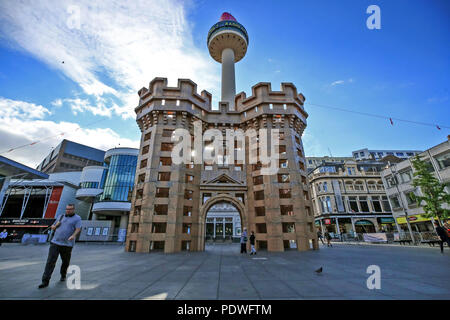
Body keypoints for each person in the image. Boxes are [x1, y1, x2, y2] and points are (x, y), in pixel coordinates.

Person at [38, 204, 81, 289]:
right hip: (55, 242)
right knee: (50, 261)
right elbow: (53, 227)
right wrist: (54, 227)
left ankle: (63, 274)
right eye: (67, 209)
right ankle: (45, 281)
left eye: (70, 209)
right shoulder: (60, 216)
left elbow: (78, 229)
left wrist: (73, 235)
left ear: (73, 209)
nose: (68, 210)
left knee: (65, 262)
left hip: (67, 244)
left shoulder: (77, 218)